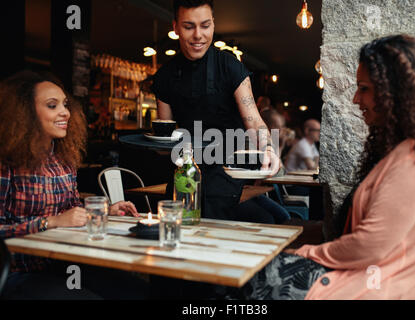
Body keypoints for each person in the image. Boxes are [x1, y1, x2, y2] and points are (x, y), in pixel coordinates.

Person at [228, 34, 415, 300]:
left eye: (364, 88)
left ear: (394, 91)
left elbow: (371, 246)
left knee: (238, 283)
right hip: (376, 281)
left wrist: (307, 251)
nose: (356, 99)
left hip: (374, 289)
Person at [0, 70, 148, 299]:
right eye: (52, 105)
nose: (65, 113)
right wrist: (49, 222)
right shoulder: (7, 162)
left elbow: (70, 210)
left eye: (65, 105)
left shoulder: (62, 159)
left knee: (138, 292)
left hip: (66, 262)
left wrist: (103, 211)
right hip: (18, 272)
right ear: (24, 113)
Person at [153, 0, 280, 222]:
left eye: (205, 25)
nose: (198, 35)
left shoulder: (230, 67)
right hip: (185, 178)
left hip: (227, 177)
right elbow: (166, 141)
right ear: (175, 27)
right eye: (188, 26)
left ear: (213, 24)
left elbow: (254, 121)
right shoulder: (165, 76)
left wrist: (268, 148)